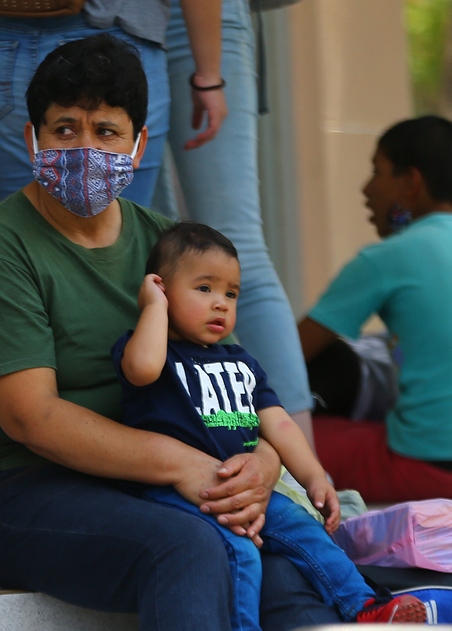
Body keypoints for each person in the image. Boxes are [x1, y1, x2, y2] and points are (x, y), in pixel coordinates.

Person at [0, 35, 343, 631]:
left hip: (161, 481)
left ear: (136, 143)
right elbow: (31, 419)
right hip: (24, 493)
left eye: (104, 131)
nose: (83, 149)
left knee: (281, 553)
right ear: (30, 139)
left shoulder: (166, 242)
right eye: (63, 130)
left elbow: (237, 377)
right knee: (189, 547)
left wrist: (263, 462)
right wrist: (189, 467)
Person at [116, 223, 427, 631]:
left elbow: (278, 422)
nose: (221, 304)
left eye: (231, 293)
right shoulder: (153, 350)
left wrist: (315, 477)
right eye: (204, 288)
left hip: (247, 488)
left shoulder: (242, 361)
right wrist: (153, 308)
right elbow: (141, 370)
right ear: (160, 287)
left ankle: (365, 605)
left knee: (305, 529)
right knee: (239, 552)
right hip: (179, 493)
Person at [153, 0, 315, 443]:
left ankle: (306, 472)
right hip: (117, 21)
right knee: (153, 249)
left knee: (239, 251)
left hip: (197, 24)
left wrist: (209, 71)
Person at [0, 0, 228, 206]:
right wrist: (209, 73)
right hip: (117, 32)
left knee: (22, 246)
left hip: (0, 39)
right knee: (122, 254)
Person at [299, 116, 452, 503]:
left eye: (377, 171)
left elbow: (288, 356)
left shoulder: (389, 257)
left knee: (279, 441)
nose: (367, 189)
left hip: (429, 467)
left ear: (410, 182)